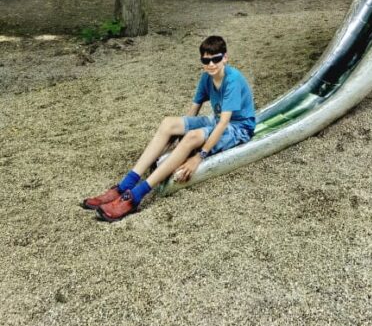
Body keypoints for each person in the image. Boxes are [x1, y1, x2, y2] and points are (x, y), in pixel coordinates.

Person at [81, 34, 255, 222]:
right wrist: (180, 133)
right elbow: (193, 110)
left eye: (216, 59)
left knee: (193, 136)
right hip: (218, 120)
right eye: (206, 60)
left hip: (238, 127)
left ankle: (136, 196)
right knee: (168, 123)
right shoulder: (207, 77)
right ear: (202, 61)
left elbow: (223, 124)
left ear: (225, 58)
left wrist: (199, 156)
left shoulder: (232, 80)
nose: (211, 64)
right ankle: (126, 184)